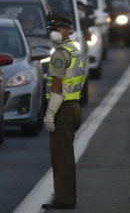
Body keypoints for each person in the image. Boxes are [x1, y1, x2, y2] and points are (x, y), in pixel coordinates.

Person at [41, 11, 86, 210]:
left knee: (61, 157)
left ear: (67, 29)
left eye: (57, 29)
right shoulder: (74, 49)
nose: (54, 32)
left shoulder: (60, 53)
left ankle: (64, 199)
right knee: (65, 154)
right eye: (52, 29)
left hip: (63, 108)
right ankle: (66, 196)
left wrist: (50, 113)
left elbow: (57, 85)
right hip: (74, 105)